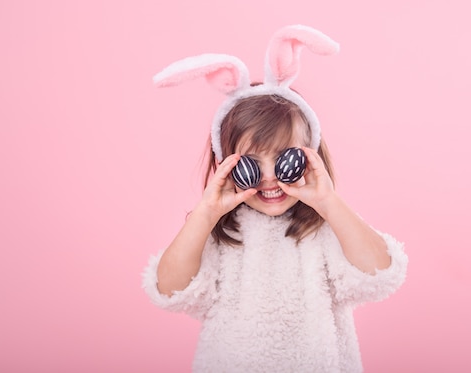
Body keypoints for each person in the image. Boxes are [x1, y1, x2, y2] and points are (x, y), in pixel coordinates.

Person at [142, 25, 408, 373]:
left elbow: (379, 274)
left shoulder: (323, 230)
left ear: (310, 155)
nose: (269, 177)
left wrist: (328, 203)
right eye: (253, 162)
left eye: (284, 158)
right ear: (226, 165)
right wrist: (205, 215)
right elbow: (170, 290)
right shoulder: (220, 237)